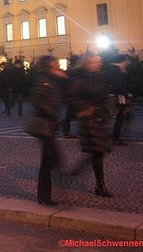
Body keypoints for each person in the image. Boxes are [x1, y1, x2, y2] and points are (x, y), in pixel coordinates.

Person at [67, 54, 113, 198]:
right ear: (86, 63)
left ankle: (90, 178)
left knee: (99, 150)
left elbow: (104, 94)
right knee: (97, 150)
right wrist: (84, 108)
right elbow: (71, 97)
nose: (97, 64)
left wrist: (109, 108)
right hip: (89, 119)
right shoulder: (80, 78)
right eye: (93, 62)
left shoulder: (99, 76)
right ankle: (99, 184)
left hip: (101, 117)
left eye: (98, 62)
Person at [28, 56, 67, 206]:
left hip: (49, 124)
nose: (58, 66)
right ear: (48, 66)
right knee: (51, 160)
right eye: (55, 64)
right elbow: (39, 102)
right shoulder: (43, 81)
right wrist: (52, 115)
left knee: (47, 161)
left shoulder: (51, 80)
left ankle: (44, 195)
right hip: (45, 125)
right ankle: (47, 194)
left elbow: (61, 97)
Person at [107, 54, 131, 145]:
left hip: (117, 96)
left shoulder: (116, 69)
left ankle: (115, 136)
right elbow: (118, 84)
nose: (128, 62)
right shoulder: (116, 70)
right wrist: (128, 94)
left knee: (120, 116)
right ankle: (115, 137)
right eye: (127, 60)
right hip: (117, 97)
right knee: (119, 116)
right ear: (122, 61)